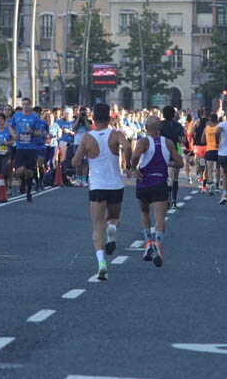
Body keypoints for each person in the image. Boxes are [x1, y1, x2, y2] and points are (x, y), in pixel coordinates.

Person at [72, 103, 132, 281]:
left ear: (93, 119)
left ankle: (101, 263)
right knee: (113, 219)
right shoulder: (116, 134)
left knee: (97, 227)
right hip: (115, 186)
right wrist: (128, 165)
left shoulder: (87, 138)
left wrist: (86, 156)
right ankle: (112, 229)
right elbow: (128, 147)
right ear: (110, 117)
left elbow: (75, 162)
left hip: (97, 187)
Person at [131, 115, 182, 267]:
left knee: (144, 212)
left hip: (143, 183)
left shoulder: (143, 141)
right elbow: (179, 162)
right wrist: (168, 162)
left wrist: (133, 168)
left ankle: (147, 242)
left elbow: (134, 157)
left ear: (146, 128)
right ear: (160, 128)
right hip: (160, 182)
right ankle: (158, 244)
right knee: (160, 217)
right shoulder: (168, 142)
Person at [159, 105, 185, 209]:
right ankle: (174, 199)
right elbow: (183, 140)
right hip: (175, 151)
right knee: (175, 178)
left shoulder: (160, 125)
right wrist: (175, 138)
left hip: (162, 151)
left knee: (165, 176)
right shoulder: (178, 126)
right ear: (173, 114)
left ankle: (167, 196)